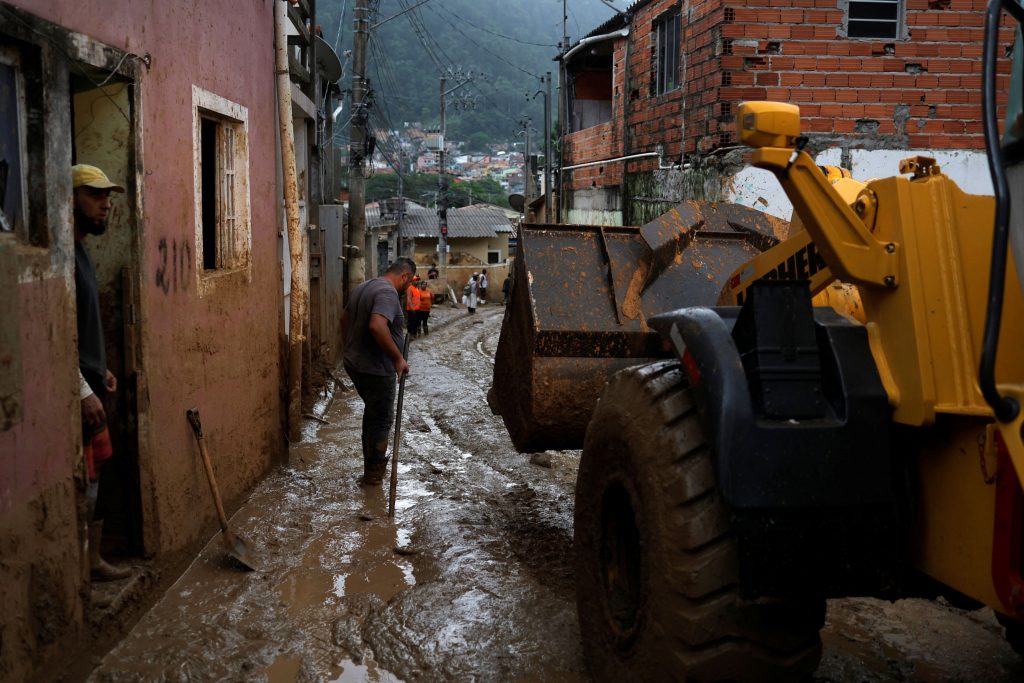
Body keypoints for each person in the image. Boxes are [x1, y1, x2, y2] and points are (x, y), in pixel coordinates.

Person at [72, 164, 132, 582]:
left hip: (91, 382)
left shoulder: (81, 253)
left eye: (107, 196)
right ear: (68, 198)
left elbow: (81, 326)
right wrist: (80, 389)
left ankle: (91, 561)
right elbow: (52, 331)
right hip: (78, 394)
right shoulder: (62, 257)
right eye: (95, 195)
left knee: (97, 471)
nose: (106, 204)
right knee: (82, 480)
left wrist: (100, 369)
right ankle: (80, 569)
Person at [340, 258, 416, 485]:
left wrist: (351, 347)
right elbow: (376, 325)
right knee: (382, 419)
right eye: (409, 281)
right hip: (376, 369)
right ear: (404, 276)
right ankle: (373, 476)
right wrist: (398, 358)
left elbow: (344, 320)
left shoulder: (364, 286)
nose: (407, 287)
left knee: (373, 415)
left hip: (356, 364)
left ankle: (369, 470)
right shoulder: (387, 293)